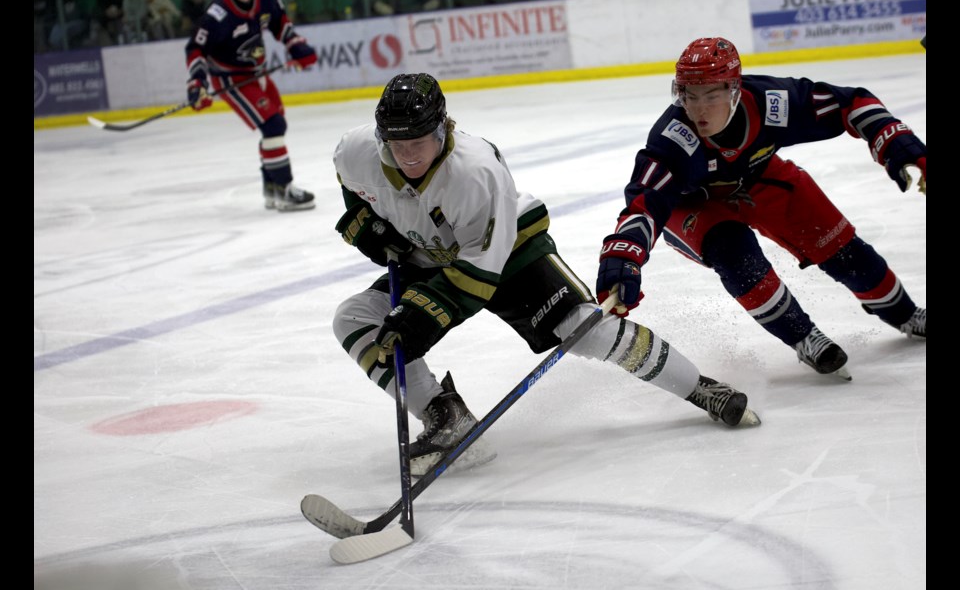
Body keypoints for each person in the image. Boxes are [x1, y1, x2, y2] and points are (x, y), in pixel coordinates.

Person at [331, 73, 761, 478]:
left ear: (442, 130)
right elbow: (352, 183)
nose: (407, 156)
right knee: (355, 319)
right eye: (396, 144)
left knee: (588, 331)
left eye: (419, 142)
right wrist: (364, 221)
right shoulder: (357, 150)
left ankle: (701, 388)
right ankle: (446, 418)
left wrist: (423, 315)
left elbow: (478, 275)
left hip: (507, 252)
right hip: (429, 253)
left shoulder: (475, 173)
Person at [595, 37, 926, 382]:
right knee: (735, 253)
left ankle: (906, 314)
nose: (699, 109)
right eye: (689, 96)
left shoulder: (773, 104)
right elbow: (645, 200)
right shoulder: (674, 139)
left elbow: (851, 103)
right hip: (692, 203)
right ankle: (804, 337)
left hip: (760, 176)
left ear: (735, 90)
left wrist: (893, 140)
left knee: (841, 249)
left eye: (711, 95)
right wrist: (624, 255)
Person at [185, 0, 318, 211]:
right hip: (230, 79)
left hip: (258, 74)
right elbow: (196, 49)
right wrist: (197, 83)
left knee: (276, 124)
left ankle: (271, 189)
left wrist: (297, 47)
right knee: (273, 125)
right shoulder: (217, 15)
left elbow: (282, 26)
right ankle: (284, 189)